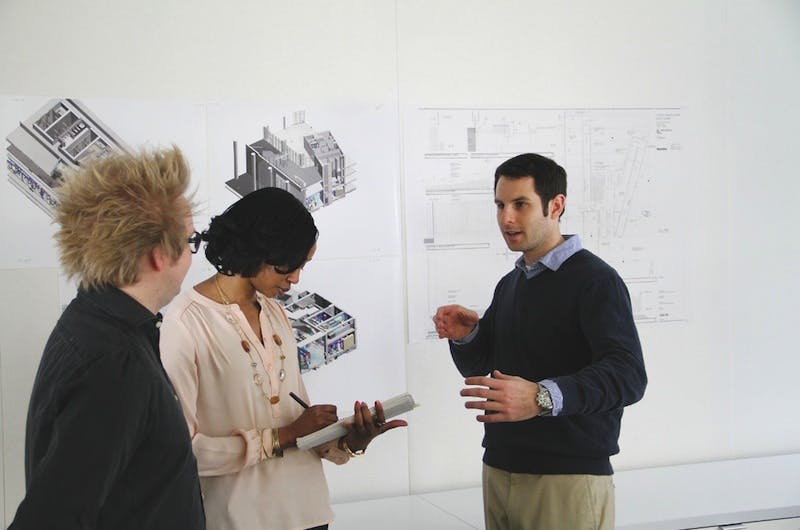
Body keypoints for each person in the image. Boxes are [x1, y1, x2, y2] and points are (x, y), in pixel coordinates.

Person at [160, 186, 406, 530]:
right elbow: (182, 453)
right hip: (239, 521)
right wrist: (283, 436)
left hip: (310, 515)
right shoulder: (185, 321)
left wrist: (349, 442)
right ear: (256, 249)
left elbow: (296, 422)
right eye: (287, 265)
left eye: (302, 265)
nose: (295, 278)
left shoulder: (275, 313)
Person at [434, 153, 647, 530]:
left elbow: (627, 376)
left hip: (565, 479)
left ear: (556, 205)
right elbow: (483, 367)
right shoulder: (511, 283)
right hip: (500, 469)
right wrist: (469, 338)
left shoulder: (596, 281)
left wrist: (540, 397)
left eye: (520, 204)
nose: (506, 218)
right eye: (500, 205)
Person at [10, 147, 206, 529]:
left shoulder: (93, 322)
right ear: (158, 255)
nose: (192, 254)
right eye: (190, 241)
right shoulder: (115, 364)